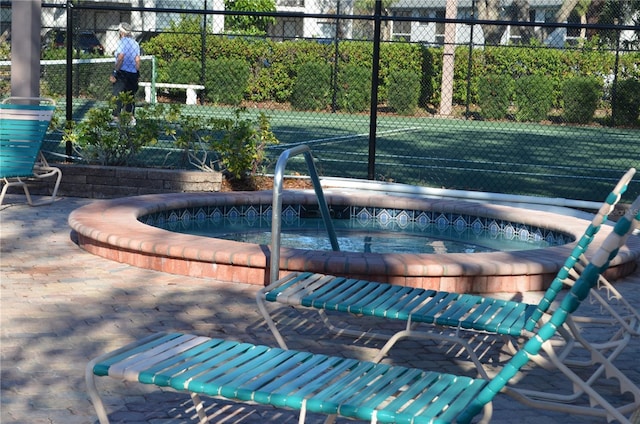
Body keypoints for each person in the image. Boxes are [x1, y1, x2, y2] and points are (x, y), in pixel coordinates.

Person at [110, 22, 140, 123]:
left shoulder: (122, 42)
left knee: (117, 95)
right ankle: (131, 118)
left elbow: (121, 58)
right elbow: (137, 60)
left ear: (121, 32)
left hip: (122, 73)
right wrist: (137, 73)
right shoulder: (135, 43)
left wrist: (115, 73)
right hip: (133, 74)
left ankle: (115, 117)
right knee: (130, 96)